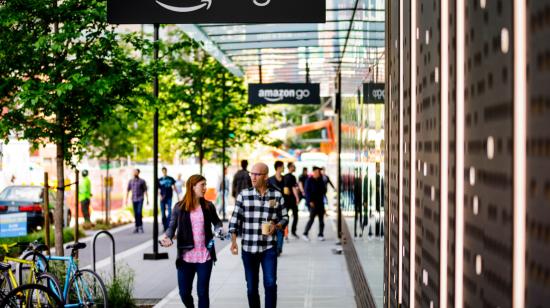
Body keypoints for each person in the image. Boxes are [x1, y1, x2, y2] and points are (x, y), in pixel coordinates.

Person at [228, 162, 289, 308]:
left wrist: (277, 226)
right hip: (249, 249)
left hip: (268, 248)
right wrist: (234, 242)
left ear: (266, 176)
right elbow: (235, 221)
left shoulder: (276, 195)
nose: (253, 177)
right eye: (252, 174)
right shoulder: (244, 195)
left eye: (257, 174)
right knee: (251, 288)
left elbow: (285, 217)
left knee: (270, 284)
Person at [160, 175, 223, 308]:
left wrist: (218, 230)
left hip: (205, 256)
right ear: (193, 187)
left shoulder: (208, 206)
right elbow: (171, 226)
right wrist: (168, 237)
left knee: (203, 292)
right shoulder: (179, 207)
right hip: (185, 257)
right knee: (184, 294)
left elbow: (217, 222)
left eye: (205, 184)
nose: (205, 188)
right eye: (202, 185)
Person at [302, 166, 327, 241]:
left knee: (321, 220)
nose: (318, 173)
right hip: (313, 203)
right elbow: (307, 192)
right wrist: (310, 201)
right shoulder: (309, 180)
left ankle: (320, 234)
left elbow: (324, 190)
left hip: (320, 203)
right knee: (311, 219)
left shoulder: (321, 180)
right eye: (316, 172)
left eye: (318, 172)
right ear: (313, 172)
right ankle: (305, 233)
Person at [267, 161, 285, 255]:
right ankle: (275, 247)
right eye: (283, 166)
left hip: (283, 205)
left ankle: (279, 248)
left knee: (281, 226)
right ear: (278, 167)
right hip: (273, 206)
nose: (284, 168)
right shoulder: (270, 180)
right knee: (274, 225)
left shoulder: (285, 178)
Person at [126, 169, 149, 233]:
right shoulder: (131, 181)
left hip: (140, 199)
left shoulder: (142, 181)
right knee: (135, 213)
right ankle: (136, 227)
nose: (135, 173)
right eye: (134, 172)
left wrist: (147, 199)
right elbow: (128, 190)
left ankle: (140, 226)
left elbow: (145, 190)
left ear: (138, 173)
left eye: (136, 172)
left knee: (139, 212)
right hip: (133, 199)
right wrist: (126, 199)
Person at [159, 167, 179, 232]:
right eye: (163, 171)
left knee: (170, 212)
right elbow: (158, 189)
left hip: (169, 197)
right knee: (163, 213)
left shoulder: (170, 178)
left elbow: (174, 187)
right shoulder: (159, 180)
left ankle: (168, 226)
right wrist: (160, 196)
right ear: (162, 171)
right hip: (162, 198)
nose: (164, 172)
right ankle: (164, 226)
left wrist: (178, 195)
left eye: (165, 171)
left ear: (166, 171)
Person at [283, 162, 300, 238]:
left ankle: (286, 234)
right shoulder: (292, 177)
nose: (295, 167)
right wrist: (297, 197)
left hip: (286, 200)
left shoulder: (284, 177)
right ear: (290, 167)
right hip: (292, 199)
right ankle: (293, 232)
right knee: (295, 216)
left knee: (286, 217)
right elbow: (294, 188)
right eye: (293, 166)